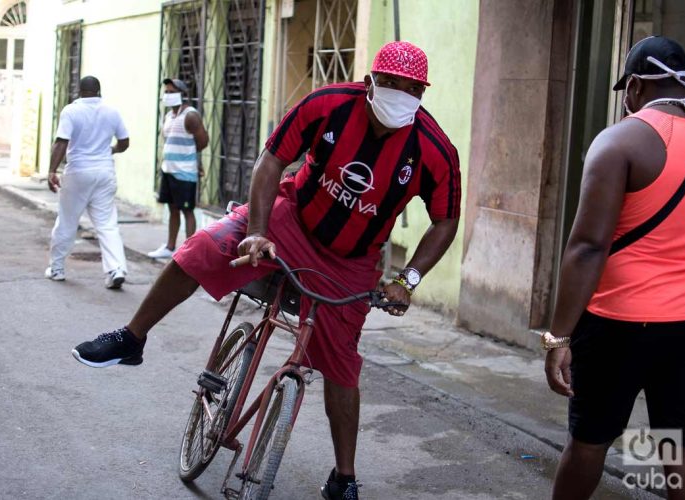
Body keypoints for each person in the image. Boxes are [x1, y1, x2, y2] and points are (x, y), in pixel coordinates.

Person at [72, 41, 460, 499]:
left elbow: (445, 218)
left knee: (343, 366)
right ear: (370, 81)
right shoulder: (328, 104)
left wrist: (407, 279)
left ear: (422, 94)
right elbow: (272, 159)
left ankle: (344, 478)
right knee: (207, 245)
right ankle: (131, 337)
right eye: (390, 83)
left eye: (411, 88)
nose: (400, 93)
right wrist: (256, 230)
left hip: (352, 260)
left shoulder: (434, 150)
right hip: (291, 218)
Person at [544, 36, 685, 500]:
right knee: (683, 449)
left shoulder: (621, 140)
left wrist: (558, 337)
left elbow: (588, 247)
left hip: (617, 324)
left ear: (633, 86)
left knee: (592, 441)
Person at [46, 75, 130, 289]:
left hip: (78, 173)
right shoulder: (112, 111)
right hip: (104, 173)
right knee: (107, 224)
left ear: (79, 91)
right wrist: (111, 149)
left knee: (67, 221)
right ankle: (116, 269)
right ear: (99, 91)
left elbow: (61, 142)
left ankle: (57, 269)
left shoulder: (71, 111)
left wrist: (52, 170)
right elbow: (124, 142)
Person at [147, 78, 209, 259]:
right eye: (166, 92)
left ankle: (190, 251)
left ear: (182, 95)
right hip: (169, 170)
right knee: (172, 208)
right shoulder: (168, 116)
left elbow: (203, 141)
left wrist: (191, 158)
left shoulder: (190, 115)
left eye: (172, 92)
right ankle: (170, 246)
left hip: (185, 172)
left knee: (187, 210)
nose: (168, 95)